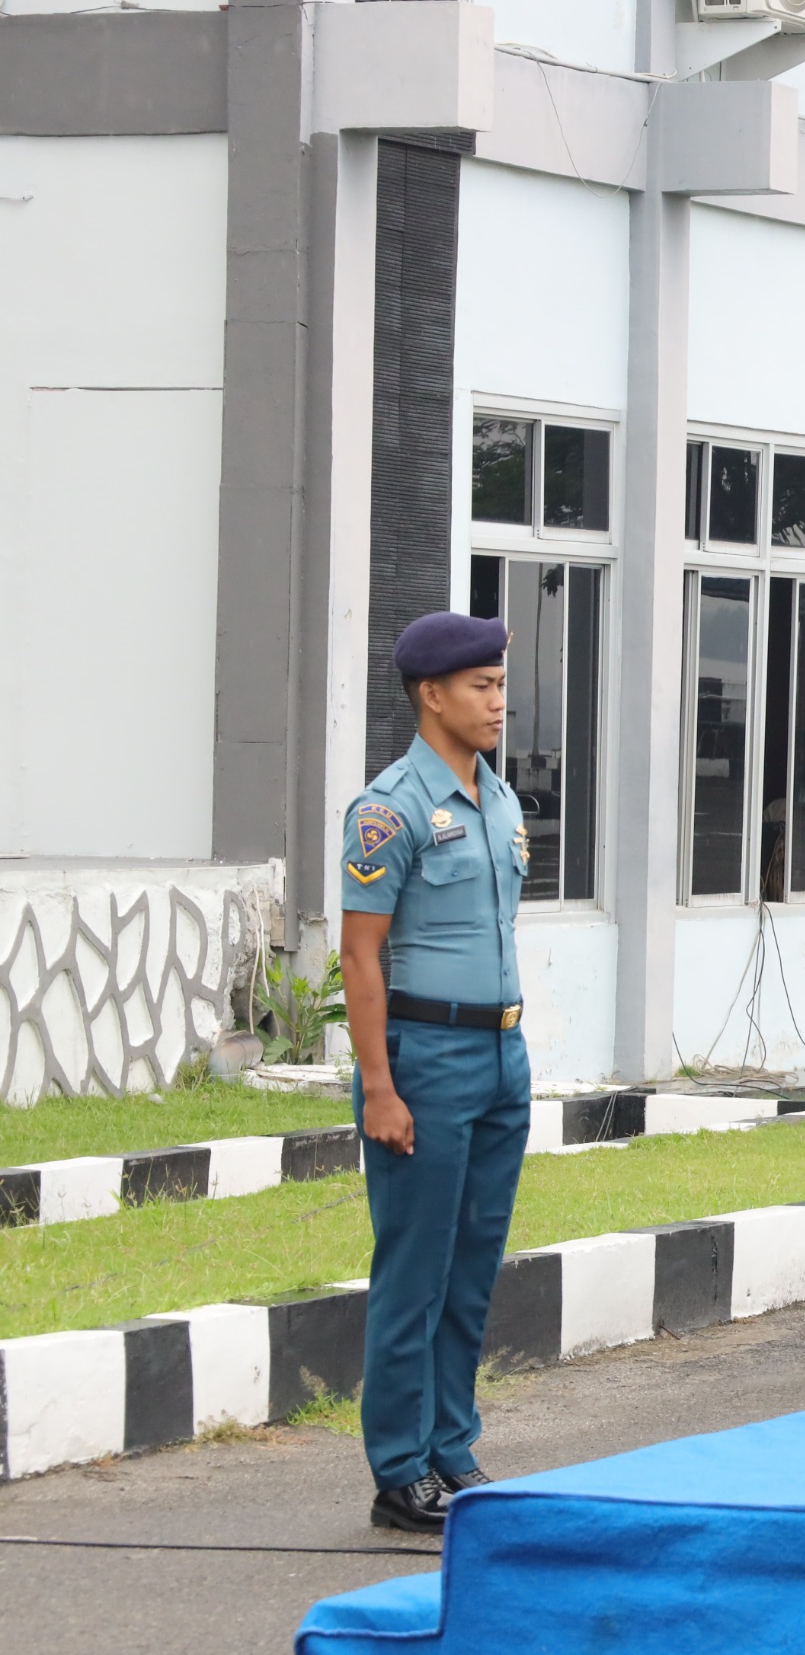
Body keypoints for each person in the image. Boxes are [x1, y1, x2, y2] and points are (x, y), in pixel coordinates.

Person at [339, 611, 532, 1534]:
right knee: (413, 1269)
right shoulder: (388, 808)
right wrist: (379, 1085)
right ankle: (399, 1469)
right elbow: (360, 959)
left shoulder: (498, 798)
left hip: (500, 1052)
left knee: (472, 1265)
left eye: (501, 684)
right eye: (482, 687)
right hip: (426, 1057)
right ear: (431, 694)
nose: (499, 702)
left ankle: (452, 1448)